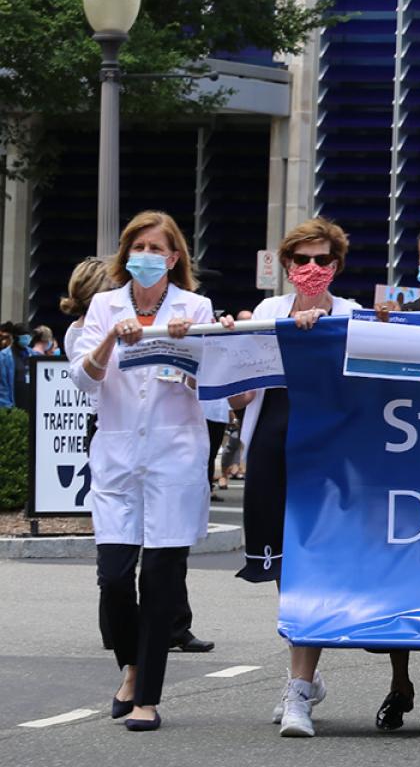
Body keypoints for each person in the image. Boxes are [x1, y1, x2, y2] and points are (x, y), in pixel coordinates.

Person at [68, 210, 216, 732]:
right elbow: (83, 381)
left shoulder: (194, 307)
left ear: (174, 258)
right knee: (113, 578)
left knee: (159, 578)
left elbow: (213, 382)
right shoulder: (103, 307)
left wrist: (190, 338)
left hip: (174, 456)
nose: (148, 257)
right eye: (139, 247)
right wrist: (111, 337)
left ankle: (147, 698)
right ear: (125, 254)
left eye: (158, 249)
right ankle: (129, 666)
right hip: (117, 457)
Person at [221, 218, 362, 737]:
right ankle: (305, 671)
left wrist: (321, 336)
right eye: (301, 260)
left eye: (322, 260)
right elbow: (238, 394)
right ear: (285, 266)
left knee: (314, 567)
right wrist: (230, 349)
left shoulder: (351, 315)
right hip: (273, 446)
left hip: (331, 453)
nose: (311, 269)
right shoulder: (266, 312)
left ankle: (298, 687)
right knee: (285, 568)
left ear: (336, 265)